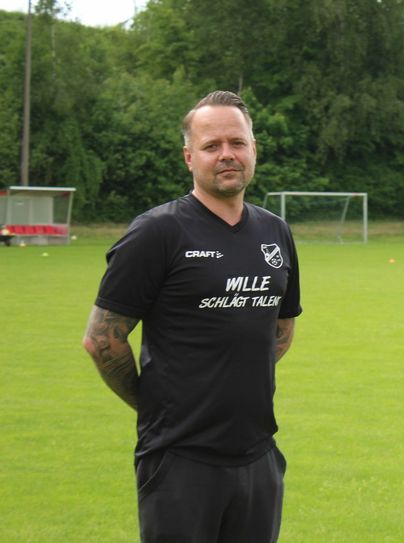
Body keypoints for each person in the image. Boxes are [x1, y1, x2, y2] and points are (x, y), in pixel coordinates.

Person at [82, 90, 301, 543]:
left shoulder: (275, 231)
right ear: (189, 157)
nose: (227, 154)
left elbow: (280, 330)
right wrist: (159, 406)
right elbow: (103, 340)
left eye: (237, 143)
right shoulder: (158, 231)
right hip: (181, 461)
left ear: (253, 149)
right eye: (211, 145)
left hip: (258, 456)